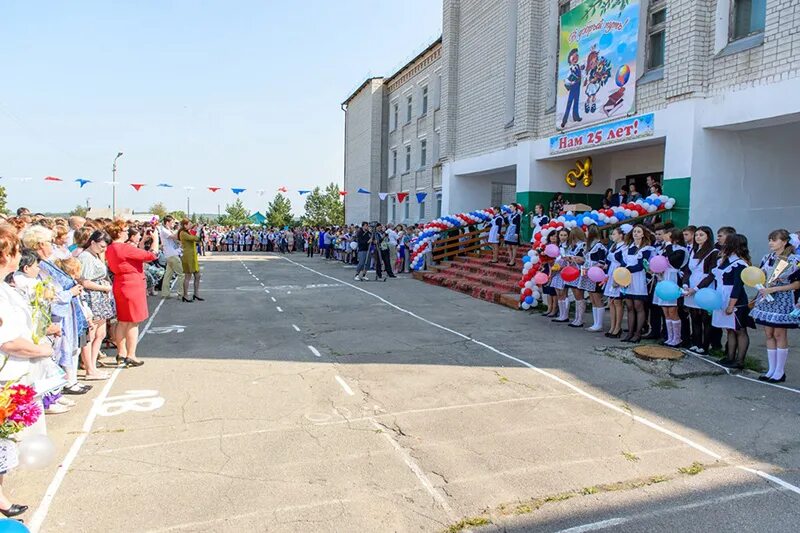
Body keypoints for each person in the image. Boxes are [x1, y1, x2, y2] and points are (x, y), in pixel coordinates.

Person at [0, 225, 55, 518]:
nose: (20, 256)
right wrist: (43, 350)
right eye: (16, 251)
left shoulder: (6, 287)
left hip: (16, 372)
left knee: (5, 439)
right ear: (5, 255)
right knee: (3, 438)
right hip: (6, 373)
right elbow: (8, 341)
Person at [22, 225, 90, 394]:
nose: (51, 246)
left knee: (71, 346)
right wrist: (69, 293)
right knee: (59, 351)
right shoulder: (37, 265)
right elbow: (48, 293)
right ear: (38, 245)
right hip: (56, 313)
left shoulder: (46, 262)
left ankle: (69, 382)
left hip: (68, 309)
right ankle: (59, 389)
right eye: (48, 242)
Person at [695, 234, 754, 369]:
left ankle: (740, 360)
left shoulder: (739, 263)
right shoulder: (723, 260)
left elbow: (737, 287)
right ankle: (730, 356)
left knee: (739, 330)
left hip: (735, 299)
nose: (723, 244)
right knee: (730, 329)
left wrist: (731, 305)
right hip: (722, 295)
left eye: (726, 242)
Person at [106, 220, 159, 367]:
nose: (127, 233)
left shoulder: (111, 248)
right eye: (124, 230)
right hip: (132, 285)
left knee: (122, 321)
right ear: (118, 232)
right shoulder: (123, 248)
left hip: (120, 283)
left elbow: (138, 254)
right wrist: (155, 240)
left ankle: (121, 353)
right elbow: (152, 255)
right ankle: (131, 354)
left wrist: (142, 240)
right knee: (133, 322)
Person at [750, 229, 800, 383]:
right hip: (766, 299)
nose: (771, 243)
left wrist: (774, 288)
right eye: (770, 239)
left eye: (774, 240)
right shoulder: (768, 257)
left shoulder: (794, 260)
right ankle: (771, 369)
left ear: (784, 242)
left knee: (779, 334)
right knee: (768, 334)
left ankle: (780, 371)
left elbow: (797, 284)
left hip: (783, 299)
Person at [77, 230, 115, 377]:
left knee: (100, 333)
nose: (103, 249)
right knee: (91, 335)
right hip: (92, 297)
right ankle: (89, 368)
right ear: (92, 242)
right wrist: (104, 287)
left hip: (100, 297)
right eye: (101, 246)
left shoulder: (94, 255)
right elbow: (84, 281)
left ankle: (93, 364)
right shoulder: (85, 257)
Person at [617, 224, 655, 343]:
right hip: (627, 278)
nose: (636, 234)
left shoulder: (647, 249)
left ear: (643, 234)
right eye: (634, 232)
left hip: (638, 278)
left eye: (638, 232)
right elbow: (622, 261)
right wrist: (623, 272)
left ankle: (638, 333)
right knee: (629, 306)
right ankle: (630, 333)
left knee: (638, 306)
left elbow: (640, 265)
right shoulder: (627, 247)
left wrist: (627, 270)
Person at [684, 226, 718, 355]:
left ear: (708, 237)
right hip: (691, 286)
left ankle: (705, 345)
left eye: (701, 235)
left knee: (705, 318)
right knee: (694, 316)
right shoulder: (693, 250)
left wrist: (697, 288)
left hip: (704, 287)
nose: (698, 237)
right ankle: (696, 343)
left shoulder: (713, 252)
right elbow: (687, 270)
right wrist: (686, 284)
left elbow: (711, 274)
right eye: (696, 235)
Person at [653, 229, 688, 346]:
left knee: (673, 311)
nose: (665, 237)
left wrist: (668, 244)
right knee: (665, 311)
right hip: (663, 279)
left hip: (673, 279)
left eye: (668, 236)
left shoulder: (681, 250)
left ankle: (677, 338)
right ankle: (669, 336)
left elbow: (672, 260)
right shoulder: (664, 248)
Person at [563, 227, 591, 328]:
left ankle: (580, 319)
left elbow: (584, 259)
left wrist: (574, 258)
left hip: (579, 271)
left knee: (579, 295)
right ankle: (576, 317)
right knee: (575, 295)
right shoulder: (573, 246)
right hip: (571, 271)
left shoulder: (583, 245)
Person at [604, 226, 628, 337]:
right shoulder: (613, 246)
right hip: (611, 271)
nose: (612, 236)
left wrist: (618, 278)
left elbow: (623, 262)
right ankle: (612, 326)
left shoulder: (624, 247)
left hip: (618, 272)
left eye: (614, 234)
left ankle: (618, 327)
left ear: (621, 235)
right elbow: (609, 260)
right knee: (611, 301)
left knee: (617, 301)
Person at [583, 225, 607, 332]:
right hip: (589, 273)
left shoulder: (599, 246)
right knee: (592, 298)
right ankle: (595, 322)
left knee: (597, 298)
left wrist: (593, 268)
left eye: (587, 231)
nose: (586, 233)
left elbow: (602, 262)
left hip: (596, 274)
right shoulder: (590, 245)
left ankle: (599, 323)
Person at [159, 216, 184, 299]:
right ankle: (181, 293)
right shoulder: (165, 231)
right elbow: (175, 237)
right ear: (167, 222)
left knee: (168, 275)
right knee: (181, 274)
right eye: (172, 222)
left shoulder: (168, 230)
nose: (173, 224)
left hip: (170, 254)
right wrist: (180, 229)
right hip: (172, 255)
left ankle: (165, 293)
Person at [178, 219, 203, 302]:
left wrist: (196, 228)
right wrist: (198, 230)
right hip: (188, 256)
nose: (190, 225)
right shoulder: (183, 233)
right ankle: (185, 295)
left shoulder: (187, 232)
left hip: (192, 256)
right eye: (189, 224)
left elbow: (193, 233)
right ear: (185, 225)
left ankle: (196, 294)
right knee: (188, 276)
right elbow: (196, 238)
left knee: (198, 275)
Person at [550, 228, 571, 323]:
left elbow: (569, 259)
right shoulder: (558, 246)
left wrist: (562, 267)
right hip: (557, 271)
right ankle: (561, 314)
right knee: (558, 293)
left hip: (564, 271)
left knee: (563, 293)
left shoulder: (569, 247)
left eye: (565, 235)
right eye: (561, 235)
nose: (562, 237)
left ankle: (565, 315)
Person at [540, 231, 560, 318]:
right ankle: (549, 307)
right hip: (547, 268)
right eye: (551, 236)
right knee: (547, 289)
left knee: (553, 290)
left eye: (555, 236)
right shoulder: (546, 247)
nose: (553, 238)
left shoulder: (560, 247)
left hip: (555, 269)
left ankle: (554, 309)